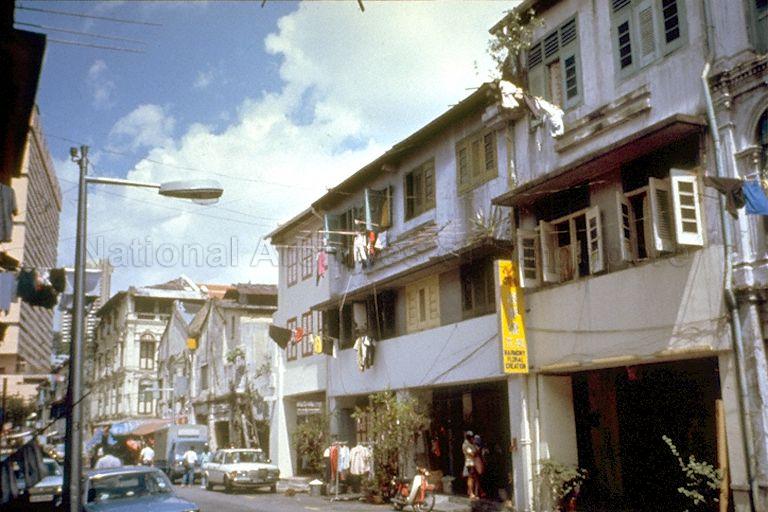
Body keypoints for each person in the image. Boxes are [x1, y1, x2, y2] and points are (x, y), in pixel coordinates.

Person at [462, 431, 478, 500]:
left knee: (474, 478)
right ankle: (471, 493)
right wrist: (477, 451)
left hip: (474, 463)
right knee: (470, 478)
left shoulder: (472, 444)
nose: (472, 438)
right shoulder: (466, 445)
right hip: (469, 463)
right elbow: (472, 454)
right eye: (471, 437)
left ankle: (472, 492)